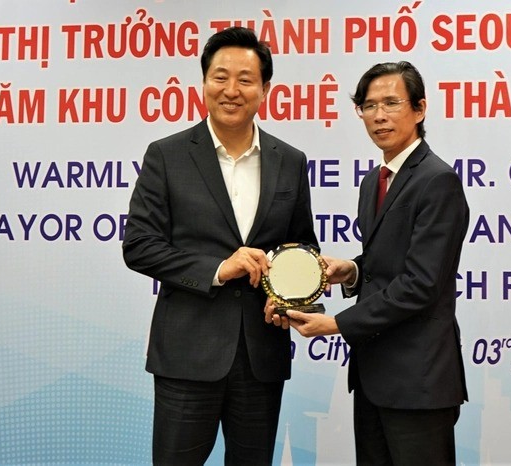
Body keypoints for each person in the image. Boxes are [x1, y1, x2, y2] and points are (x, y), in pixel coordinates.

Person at [123, 27, 318, 465]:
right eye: (220, 77)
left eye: (246, 79)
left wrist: (287, 294)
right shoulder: (167, 155)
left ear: (265, 89)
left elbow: (301, 246)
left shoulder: (290, 160)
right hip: (188, 355)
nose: (231, 90)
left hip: (260, 356)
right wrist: (217, 268)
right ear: (204, 82)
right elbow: (138, 245)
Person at [268, 61, 470, 465]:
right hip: (374, 376)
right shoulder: (373, 180)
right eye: (368, 105)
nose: (378, 115)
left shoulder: (437, 180)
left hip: (419, 380)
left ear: (420, 109)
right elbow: (388, 263)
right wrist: (352, 270)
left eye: (391, 103)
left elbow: (420, 284)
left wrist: (339, 324)